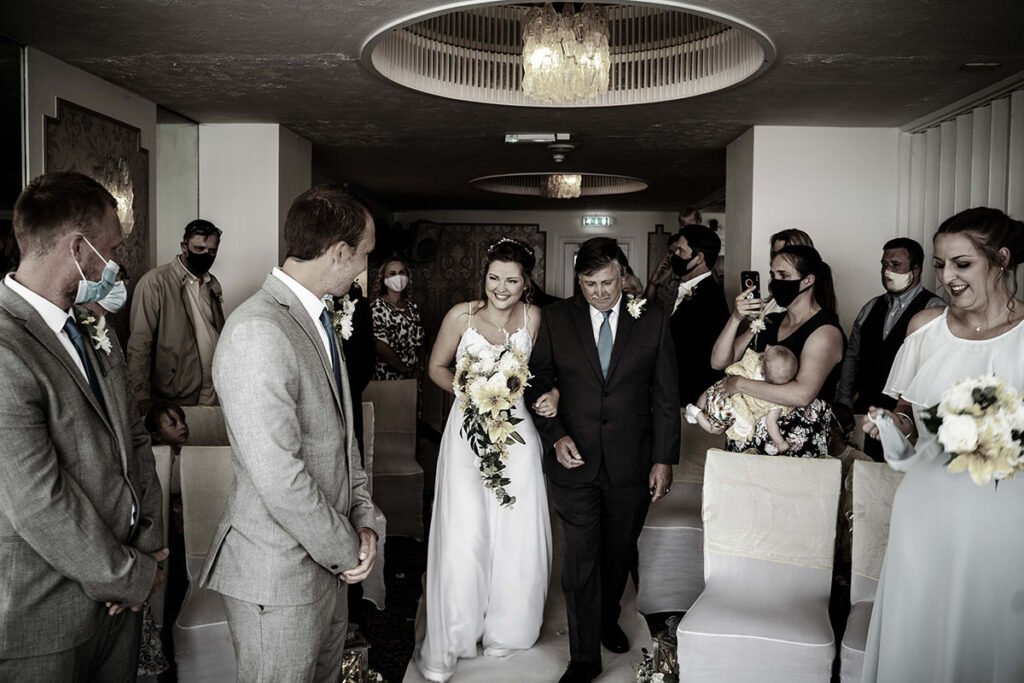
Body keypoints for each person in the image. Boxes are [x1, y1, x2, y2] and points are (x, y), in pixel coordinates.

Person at [199, 185, 379, 682]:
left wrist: (363, 519)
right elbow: (280, 476)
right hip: (278, 578)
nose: (365, 267)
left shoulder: (316, 317)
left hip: (327, 566)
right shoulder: (259, 329)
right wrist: (347, 550)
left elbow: (344, 442)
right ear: (340, 252)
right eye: (364, 255)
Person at [0, 171, 166, 680]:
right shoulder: (7, 348)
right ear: (78, 248)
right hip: (46, 616)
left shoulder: (93, 324)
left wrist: (149, 546)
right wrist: (131, 577)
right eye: (111, 248)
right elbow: (38, 499)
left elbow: (135, 440)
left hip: (120, 604)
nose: (117, 263)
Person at [860, 207, 1024, 682]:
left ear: (1001, 260)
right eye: (939, 264)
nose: (947, 277)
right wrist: (891, 424)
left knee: (990, 629)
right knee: (921, 628)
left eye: (962, 264)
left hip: (1003, 517)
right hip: (926, 511)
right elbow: (909, 420)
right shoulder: (924, 330)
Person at [527, 237, 680, 683]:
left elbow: (665, 395)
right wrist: (554, 436)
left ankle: (607, 617)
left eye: (608, 282)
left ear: (623, 274)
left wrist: (663, 459)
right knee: (580, 559)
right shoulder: (557, 319)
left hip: (631, 461)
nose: (599, 292)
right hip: (573, 461)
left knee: (617, 553)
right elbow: (536, 381)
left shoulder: (652, 318)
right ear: (579, 280)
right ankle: (583, 658)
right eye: (590, 283)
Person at [415, 238, 554, 682]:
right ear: (484, 276)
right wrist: (468, 394)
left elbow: (547, 374)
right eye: (494, 277)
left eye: (512, 280)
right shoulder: (461, 315)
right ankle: (459, 629)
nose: (501, 287)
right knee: (466, 527)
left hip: (517, 435)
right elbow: (436, 366)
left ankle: (508, 628)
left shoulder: (534, 318)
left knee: (516, 527)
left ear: (525, 282)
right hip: (467, 432)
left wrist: (550, 395)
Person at [711, 244, 845, 457]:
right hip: (750, 441)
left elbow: (802, 395)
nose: (775, 282)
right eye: (773, 275)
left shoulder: (824, 331)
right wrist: (736, 318)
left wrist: (738, 384)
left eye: (783, 274)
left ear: (808, 280)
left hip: (795, 444)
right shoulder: (770, 321)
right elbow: (719, 362)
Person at [834, 238, 944, 459]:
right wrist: (844, 399)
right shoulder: (870, 307)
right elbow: (852, 357)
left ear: (916, 269)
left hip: (906, 416)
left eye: (896, 265)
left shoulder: (934, 309)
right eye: (884, 264)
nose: (887, 271)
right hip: (866, 409)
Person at [128, 219, 225, 412]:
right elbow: (140, 343)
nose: (206, 255)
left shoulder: (212, 284)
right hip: (176, 394)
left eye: (212, 251)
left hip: (213, 389)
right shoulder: (155, 283)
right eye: (199, 249)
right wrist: (140, 396)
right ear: (184, 247)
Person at [687, 345, 799, 454]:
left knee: (710, 392)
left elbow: (760, 357)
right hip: (729, 411)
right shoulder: (775, 399)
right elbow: (771, 423)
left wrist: (766, 354)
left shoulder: (754, 365)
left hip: (721, 392)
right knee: (715, 430)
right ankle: (695, 413)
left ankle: (697, 408)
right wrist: (780, 443)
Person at [668, 225, 730, 405]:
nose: (675, 255)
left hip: (690, 394)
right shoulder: (690, 288)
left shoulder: (709, 296)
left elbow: (696, 353)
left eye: (681, 250)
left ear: (699, 258)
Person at [371, 257, 425, 380]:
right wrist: (405, 371)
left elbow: (421, 340)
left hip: (415, 376)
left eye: (401, 272)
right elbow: (380, 346)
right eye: (392, 273)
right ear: (384, 279)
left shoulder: (411, 306)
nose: (398, 277)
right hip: (389, 376)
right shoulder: (378, 307)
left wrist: (420, 367)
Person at [644, 230, 685, 312]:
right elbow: (648, 303)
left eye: (673, 252)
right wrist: (655, 275)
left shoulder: (686, 275)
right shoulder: (664, 272)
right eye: (670, 252)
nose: (669, 256)